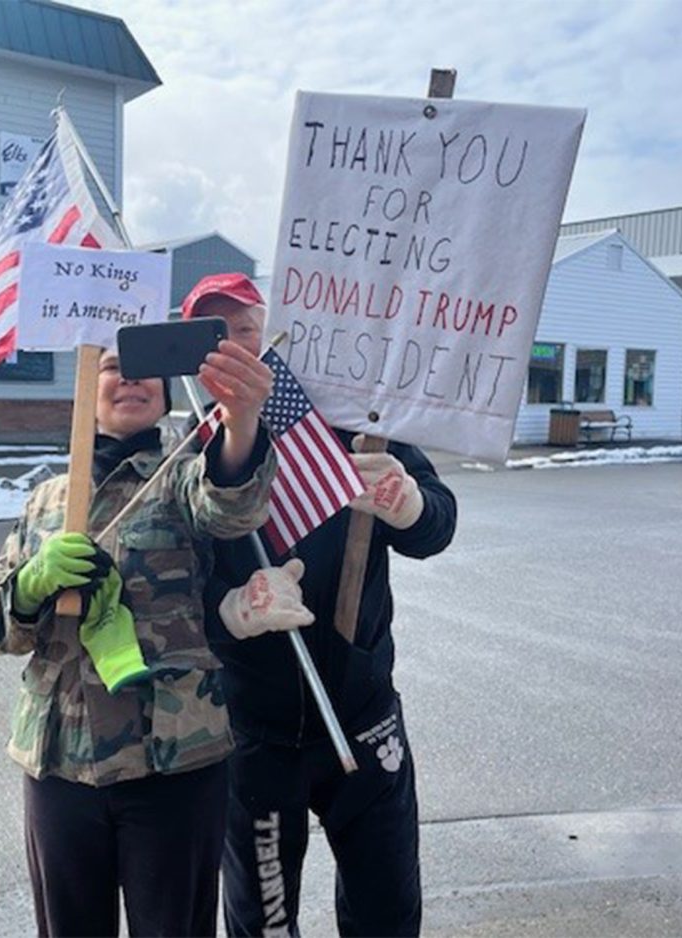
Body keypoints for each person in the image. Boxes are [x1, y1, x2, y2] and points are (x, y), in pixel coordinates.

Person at [183, 272, 458, 937]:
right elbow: (175, 594)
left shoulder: (356, 422)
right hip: (255, 735)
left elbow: (437, 525)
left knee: (386, 914)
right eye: (214, 335)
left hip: (364, 717)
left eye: (244, 328)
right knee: (265, 923)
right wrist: (230, 612)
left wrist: (409, 505)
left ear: (274, 332)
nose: (234, 346)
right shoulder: (189, 458)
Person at [0, 340, 276, 937]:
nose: (129, 379)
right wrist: (29, 586)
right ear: (86, 388)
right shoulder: (46, 500)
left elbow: (231, 508)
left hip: (173, 762)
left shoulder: (184, 477)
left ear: (165, 393)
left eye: (144, 370)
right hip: (61, 764)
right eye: (111, 367)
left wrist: (241, 421)